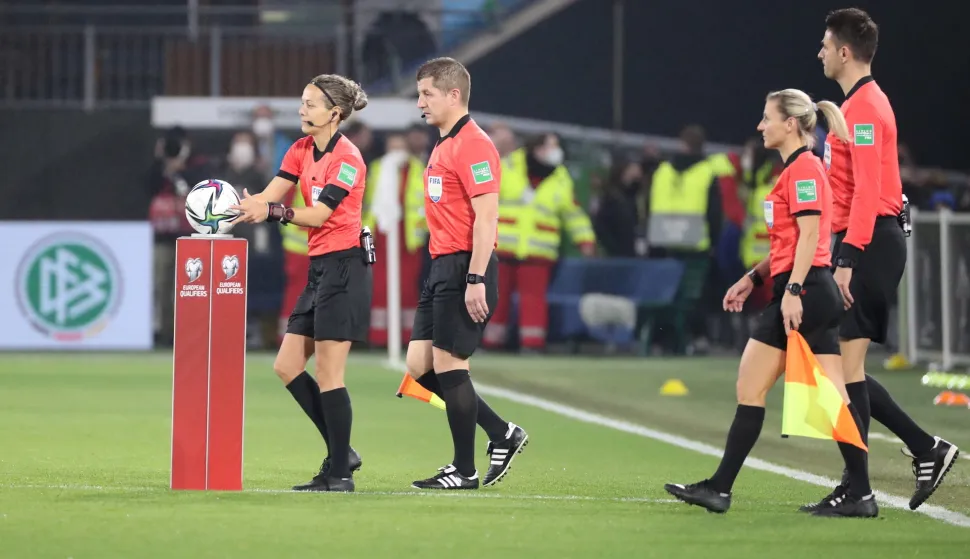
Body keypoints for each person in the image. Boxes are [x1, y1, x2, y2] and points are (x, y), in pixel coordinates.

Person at [665, 88, 877, 518]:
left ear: (791, 124)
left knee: (785, 392)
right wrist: (752, 277)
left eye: (767, 118)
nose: (761, 126)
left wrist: (793, 292)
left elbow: (814, 238)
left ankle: (856, 493)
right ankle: (858, 494)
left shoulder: (803, 170)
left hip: (808, 291)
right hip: (803, 287)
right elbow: (791, 242)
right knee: (797, 393)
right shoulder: (797, 169)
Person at [803, 8, 959, 512]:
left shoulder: (867, 108)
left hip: (869, 243)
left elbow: (870, 190)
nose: (820, 52)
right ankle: (913, 454)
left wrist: (847, 256)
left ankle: (864, 484)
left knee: (841, 368)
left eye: (826, 45)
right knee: (843, 369)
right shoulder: (856, 105)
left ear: (845, 52)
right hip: (863, 241)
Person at [231, 73, 373, 493]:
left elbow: (317, 215)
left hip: (345, 269)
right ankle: (341, 450)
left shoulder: (349, 159)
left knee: (330, 374)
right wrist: (236, 206)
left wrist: (274, 212)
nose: (301, 110)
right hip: (320, 269)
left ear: (335, 113)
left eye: (310, 104)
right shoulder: (299, 149)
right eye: (302, 102)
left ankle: (340, 474)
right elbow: (270, 194)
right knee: (287, 365)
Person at [407, 57, 528, 490]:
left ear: (453, 95)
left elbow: (487, 217)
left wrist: (476, 278)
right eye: (420, 93)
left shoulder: (474, 143)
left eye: (427, 94)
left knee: (451, 365)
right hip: (442, 264)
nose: (420, 102)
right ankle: (501, 432)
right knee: (419, 367)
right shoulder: (443, 143)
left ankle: (464, 469)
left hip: (464, 266)